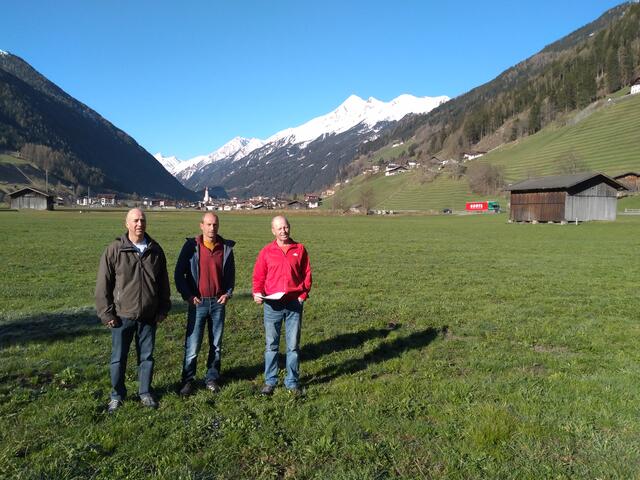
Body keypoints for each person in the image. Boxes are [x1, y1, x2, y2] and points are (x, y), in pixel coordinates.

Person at [95, 208, 171, 413]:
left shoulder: (155, 250)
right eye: (135, 220)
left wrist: (163, 307)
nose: (140, 224)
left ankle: (145, 392)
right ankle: (117, 395)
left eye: (142, 220)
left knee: (146, 357)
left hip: (149, 316)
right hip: (122, 316)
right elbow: (103, 284)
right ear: (126, 223)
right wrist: (106, 313)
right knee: (118, 358)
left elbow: (163, 282)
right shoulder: (115, 250)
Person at [174, 213, 235, 396]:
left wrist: (227, 293)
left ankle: (212, 378)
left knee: (216, 344)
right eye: (208, 224)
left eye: (215, 224)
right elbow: (179, 274)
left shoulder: (225, 248)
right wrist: (188, 295)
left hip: (217, 303)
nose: (212, 228)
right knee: (193, 345)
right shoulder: (191, 246)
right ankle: (188, 381)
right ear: (201, 225)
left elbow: (231, 275)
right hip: (198, 302)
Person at [253, 215, 312, 395]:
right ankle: (270, 381)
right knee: (271, 345)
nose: (283, 231)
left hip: (294, 304)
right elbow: (259, 275)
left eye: (285, 227)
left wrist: (303, 294)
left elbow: (307, 274)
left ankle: (292, 382)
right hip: (272, 305)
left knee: (293, 346)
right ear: (273, 231)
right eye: (279, 228)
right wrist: (257, 292)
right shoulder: (266, 251)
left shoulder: (300, 249)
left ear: (289, 227)